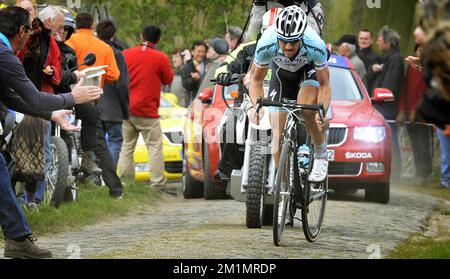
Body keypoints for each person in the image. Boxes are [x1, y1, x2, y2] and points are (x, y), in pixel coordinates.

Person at [0, 6, 102, 258]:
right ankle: (17, 238)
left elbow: (10, 97)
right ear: (22, 30)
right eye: (31, 27)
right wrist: (72, 97)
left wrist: (51, 113)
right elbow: (33, 98)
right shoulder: (4, 55)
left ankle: (17, 238)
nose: (33, 34)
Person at [250, 5, 331, 182]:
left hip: (307, 72)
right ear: (277, 36)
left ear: (302, 36)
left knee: (307, 109)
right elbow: (256, 80)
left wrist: (323, 111)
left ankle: (320, 153)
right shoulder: (266, 43)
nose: (288, 46)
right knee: (276, 132)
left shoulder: (315, 44)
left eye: (293, 41)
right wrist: (256, 105)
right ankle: (284, 185)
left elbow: (324, 83)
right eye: (284, 41)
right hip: (281, 75)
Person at [66, 12, 123, 199]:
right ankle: (116, 190)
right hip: (91, 99)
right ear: (92, 25)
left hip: (67, 97)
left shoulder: (70, 42)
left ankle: (66, 189)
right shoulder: (104, 47)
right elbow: (114, 75)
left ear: (75, 24)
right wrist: (99, 79)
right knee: (100, 145)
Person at [119, 25, 174, 190]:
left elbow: (117, 78)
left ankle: (126, 183)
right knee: (155, 146)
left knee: (127, 147)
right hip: (147, 110)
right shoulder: (160, 57)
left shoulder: (125, 54)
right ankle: (157, 183)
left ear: (141, 37)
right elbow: (168, 79)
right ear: (158, 39)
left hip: (127, 109)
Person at [53, 11, 101, 177]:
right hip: (44, 97)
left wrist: (83, 86)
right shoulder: (41, 48)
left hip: (66, 97)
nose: (63, 32)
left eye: (66, 29)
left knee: (90, 110)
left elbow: (75, 75)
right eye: (60, 28)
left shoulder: (69, 51)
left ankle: (87, 157)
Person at [396, 44, 433, 186]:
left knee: (424, 144)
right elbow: (406, 89)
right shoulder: (411, 68)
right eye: (418, 50)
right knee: (415, 144)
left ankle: (426, 174)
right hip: (409, 111)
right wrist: (402, 109)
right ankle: (419, 172)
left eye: (424, 50)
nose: (420, 52)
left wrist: (415, 110)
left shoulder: (429, 69)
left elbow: (424, 91)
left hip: (423, 113)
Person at [372, 25, 405, 181]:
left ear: (388, 42)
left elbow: (389, 87)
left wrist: (379, 97)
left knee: (390, 140)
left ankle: (396, 171)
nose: (378, 43)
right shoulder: (388, 58)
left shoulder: (395, 59)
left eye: (379, 40)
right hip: (383, 107)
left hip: (388, 108)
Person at [96, 19, 130, 166]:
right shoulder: (117, 54)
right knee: (115, 140)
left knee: (96, 142)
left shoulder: (91, 51)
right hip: (113, 107)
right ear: (114, 34)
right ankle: (108, 174)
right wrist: (125, 109)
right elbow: (122, 84)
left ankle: (94, 177)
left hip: (93, 104)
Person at [244, 0, 324, 42]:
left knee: (310, 40)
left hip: (306, 9)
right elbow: (251, 39)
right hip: (266, 5)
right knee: (251, 40)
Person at [180, 41, 208, 105]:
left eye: (203, 52)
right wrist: (194, 79)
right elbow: (185, 85)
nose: (201, 54)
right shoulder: (187, 67)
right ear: (192, 52)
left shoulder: (209, 64)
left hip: (207, 101)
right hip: (193, 102)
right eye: (199, 51)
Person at [356, 29, 381, 94]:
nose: (363, 41)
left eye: (366, 39)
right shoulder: (353, 54)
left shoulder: (376, 57)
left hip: (366, 92)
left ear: (371, 40)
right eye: (361, 38)